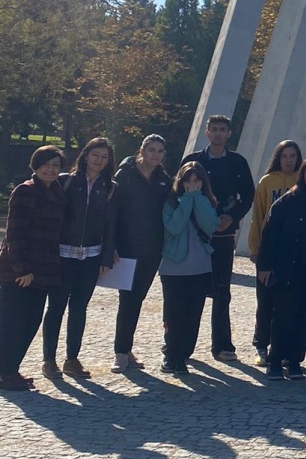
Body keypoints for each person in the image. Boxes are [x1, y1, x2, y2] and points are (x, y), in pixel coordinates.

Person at [180, 114, 255, 363]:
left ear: (229, 134)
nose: (219, 133)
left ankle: (222, 344)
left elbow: (248, 194)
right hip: (194, 234)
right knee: (190, 290)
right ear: (207, 133)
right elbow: (178, 191)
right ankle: (180, 344)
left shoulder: (238, 162)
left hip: (223, 235)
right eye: (214, 129)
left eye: (223, 129)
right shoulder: (193, 161)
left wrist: (231, 217)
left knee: (222, 290)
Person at [41, 138, 116, 380]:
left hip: (91, 256)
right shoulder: (65, 181)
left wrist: (106, 256)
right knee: (55, 308)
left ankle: (72, 358)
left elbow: (110, 225)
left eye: (104, 157)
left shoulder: (110, 187)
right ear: (85, 155)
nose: (99, 161)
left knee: (79, 308)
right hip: (63, 253)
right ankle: (49, 359)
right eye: (95, 155)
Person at [256, 156, 306, 380]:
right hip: (288, 267)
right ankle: (275, 360)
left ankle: (294, 360)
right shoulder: (287, 201)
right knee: (282, 316)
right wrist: (265, 266)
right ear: (302, 175)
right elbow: (270, 235)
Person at [0, 146, 66, 390]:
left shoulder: (57, 193)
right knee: (12, 323)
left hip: (44, 270)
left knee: (31, 322)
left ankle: (11, 369)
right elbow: (14, 234)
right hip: (20, 271)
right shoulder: (25, 191)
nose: (51, 169)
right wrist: (22, 269)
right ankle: (5, 373)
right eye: (46, 164)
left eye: (56, 165)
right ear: (35, 166)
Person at [111, 135, 173, 373]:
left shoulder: (163, 180)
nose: (155, 155)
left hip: (152, 251)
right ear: (142, 151)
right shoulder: (125, 175)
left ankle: (127, 349)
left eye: (160, 151)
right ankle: (120, 352)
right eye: (151, 150)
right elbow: (113, 211)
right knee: (126, 300)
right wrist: (112, 244)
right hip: (126, 249)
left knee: (137, 300)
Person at [158, 163, 220, 375]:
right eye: (188, 181)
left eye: (196, 181)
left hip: (200, 267)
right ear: (181, 181)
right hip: (173, 268)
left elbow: (210, 225)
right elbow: (174, 227)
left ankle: (184, 352)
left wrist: (197, 200)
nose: (192, 185)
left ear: (203, 182)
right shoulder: (171, 202)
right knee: (174, 314)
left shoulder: (208, 201)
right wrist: (187, 201)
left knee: (194, 313)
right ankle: (171, 355)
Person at [248, 140, 302, 366]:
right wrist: (255, 249)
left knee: (289, 304)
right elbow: (258, 215)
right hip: (268, 251)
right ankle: (261, 343)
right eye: (284, 156)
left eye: (292, 156)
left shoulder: (303, 180)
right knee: (266, 301)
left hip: (294, 254)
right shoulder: (267, 182)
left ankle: (285, 348)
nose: (288, 160)